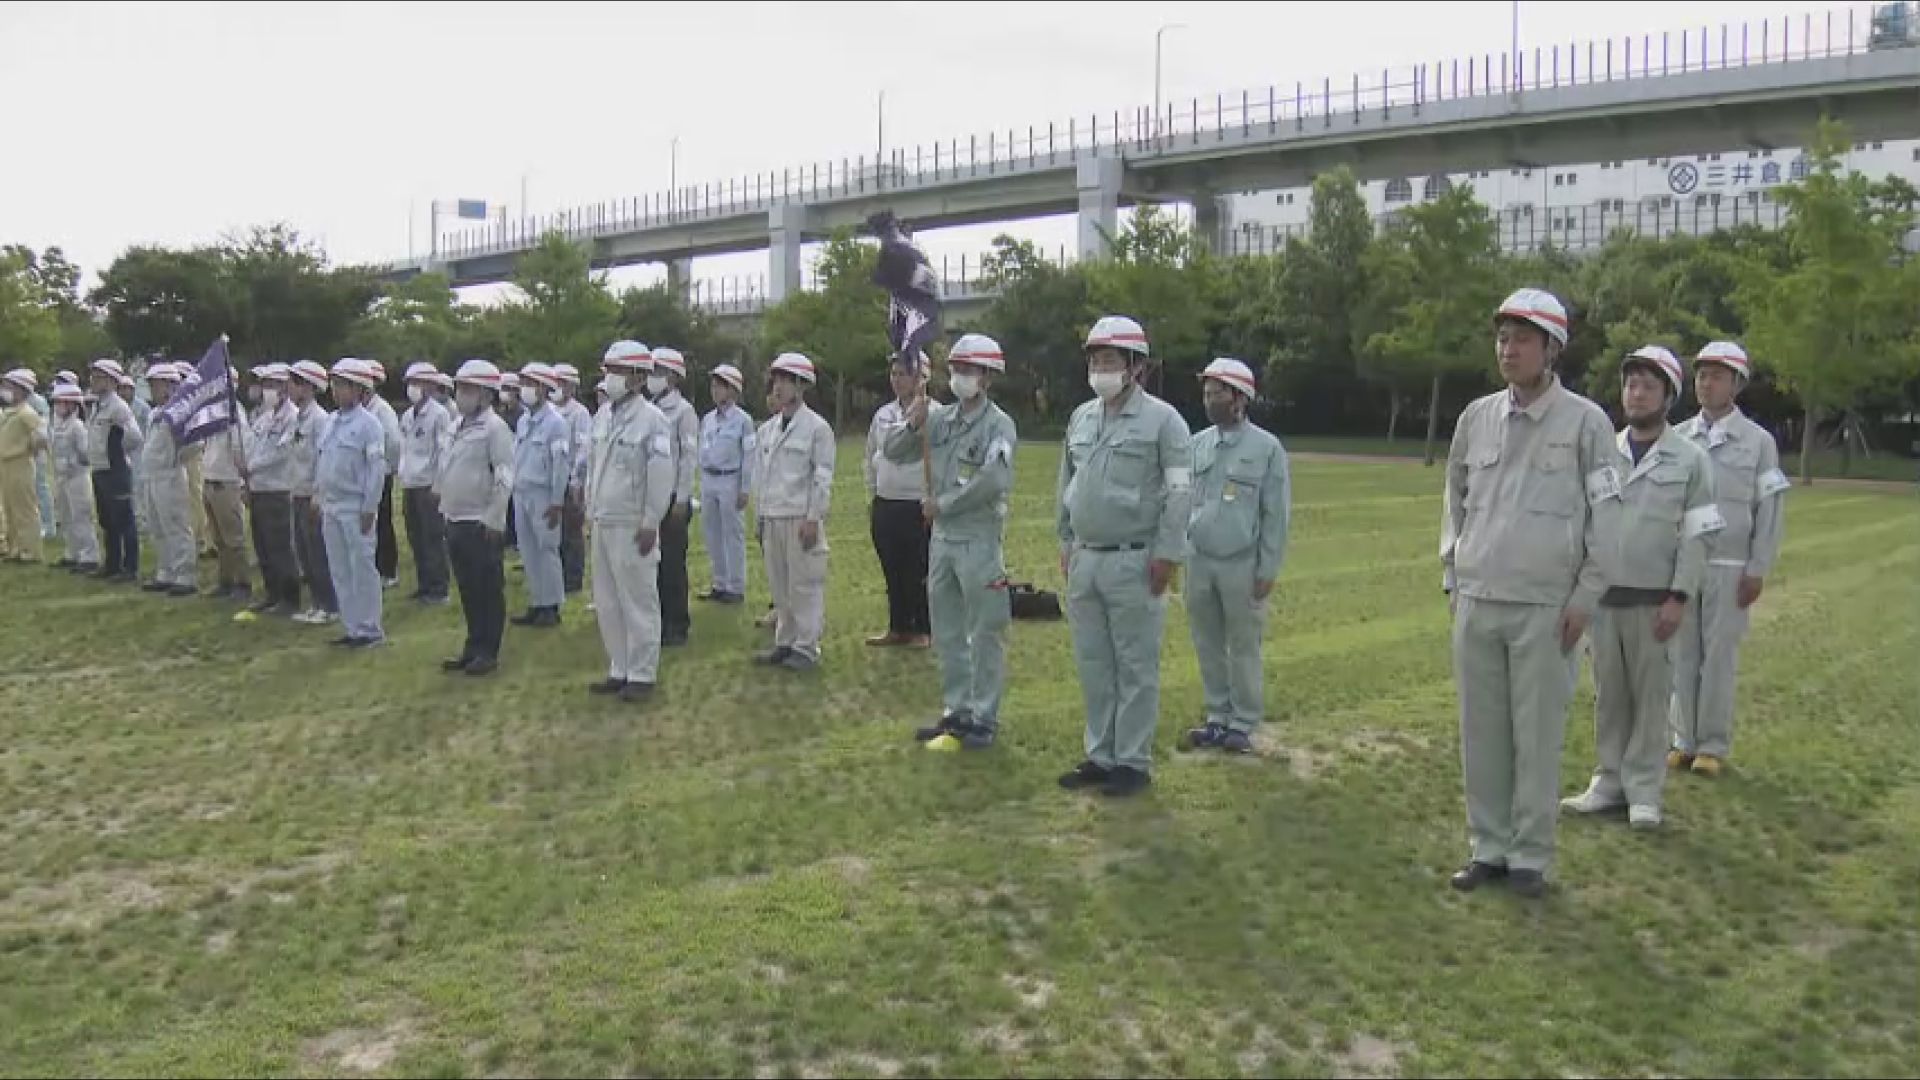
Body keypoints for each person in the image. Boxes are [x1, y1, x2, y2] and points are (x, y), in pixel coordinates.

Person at [1440, 288, 1617, 899]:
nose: (1508, 349)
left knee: (1536, 735)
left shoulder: (1588, 424)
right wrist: (1453, 576)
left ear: (1552, 349)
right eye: (1502, 338)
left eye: (1521, 339)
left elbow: (1608, 519)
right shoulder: (1475, 418)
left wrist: (1585, 598)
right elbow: (1454, 502)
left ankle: (1529, 857)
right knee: (1482, 733)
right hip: (1478, 597)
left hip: (1547, 607)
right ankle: (1487, 848)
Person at [1563, 346, 1720, 831]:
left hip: (1656, 603)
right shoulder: (1602, 452)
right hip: (1604, 600)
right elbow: (1581, 522)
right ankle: (1608, 782)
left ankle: (1644, 792)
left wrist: (1680, 596)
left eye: (1648, 386)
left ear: (1668, 397)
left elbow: (1699, 535)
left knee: (1651, 701)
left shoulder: (1691, 460)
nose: (1636, 393)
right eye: (1631, 384)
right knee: (1609, 697)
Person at [1054, 316, 1193, 798]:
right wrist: (1065, 540)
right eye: (1095, 360)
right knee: (1094, 664)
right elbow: (1067, 482)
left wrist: (1168, 554)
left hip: (1135, 559)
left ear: (1136, 367)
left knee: (1135, 665)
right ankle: (1100, 755)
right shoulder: (1081, 417)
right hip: (1086, 558)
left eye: (1110, 360)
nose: (1100, 369)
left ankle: (1132, 761)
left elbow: (1179, 492)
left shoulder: (1164, 422)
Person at [887, 334, 1018, 750]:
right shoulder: (940, 419)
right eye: (957, 369)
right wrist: (913, 421)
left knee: (985, 631)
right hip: (942, 541)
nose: (961, 376)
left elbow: (993, 479)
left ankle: (984, 716)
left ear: (987, 377)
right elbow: (893, 451)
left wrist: (943, 504)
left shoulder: (999, 425)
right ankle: (957, 709)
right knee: (947, 630)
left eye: (970, 370)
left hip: (978, 539)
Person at [1670, 341, 1788, 778]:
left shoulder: (1759, 442)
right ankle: (1683, 740)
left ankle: (1711, 746)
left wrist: (1757, 568)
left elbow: (1770, 508)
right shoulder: (1677, 437)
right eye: (1702, 375)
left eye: (1717, 376)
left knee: (1718, 656)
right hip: (1684, 567)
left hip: (1730, 566)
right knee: (1682, 654)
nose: (1706, 383)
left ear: (1736, 384)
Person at [1178, 358, 1291, 756]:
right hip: (1198, 559)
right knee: (1206, 642)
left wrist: (1268, 567)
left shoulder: (1266, 449)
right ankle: (1216, 717)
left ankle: (1242, 722)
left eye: (1218, 393)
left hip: (1241, 563)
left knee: (1243, 646)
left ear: (1240, 398)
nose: (1210, 400)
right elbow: (1179, 498)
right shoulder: (1196, 444)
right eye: (1207, 393)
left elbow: (1275, 514)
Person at [586, 341, 675, 702]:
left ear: (638, 377)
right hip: (604, 520)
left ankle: (642, 673)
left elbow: (661, 473)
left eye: (619, 371)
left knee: (638, 599)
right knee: (607, 601)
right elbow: (593, 467)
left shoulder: (653, 420)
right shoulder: (602, 416)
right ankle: (619, 667)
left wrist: (651, 519)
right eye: (608, 370)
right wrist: (590, 511)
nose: (611, 378)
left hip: (632, 522)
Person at [753, 353, 835, 672]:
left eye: (786, 380)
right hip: (772, 514)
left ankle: (806, 646)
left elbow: (822, 477)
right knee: (780, 585)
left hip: (800, 516)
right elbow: (761, 476)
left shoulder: (817, 428)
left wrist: (814, 517)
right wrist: (760, 516)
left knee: (804, 585)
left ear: (801, 386)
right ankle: (784, 641)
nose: (779, 387)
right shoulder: (767, 430)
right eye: (776, 380)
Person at [437, 360, 515, 676]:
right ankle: (472, 646)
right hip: (456, 517)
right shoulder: (457, 425)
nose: (461, 394)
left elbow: (504, 477)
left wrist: (495, 518)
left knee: (487, 589)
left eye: (468, 389)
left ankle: (488, 650)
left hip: (480, 520)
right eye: (460, 388)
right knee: (468, 589)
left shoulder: (495, 428)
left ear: (485, 394)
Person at [313, 358, 389, 648]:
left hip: (354, 505)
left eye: (343, 385)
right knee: (340, 569)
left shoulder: (370, 425)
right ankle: (352, 626)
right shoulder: (331, 422)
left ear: (360, 389)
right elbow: (323, 461)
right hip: (331, 505)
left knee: (362, 568)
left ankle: (370, 628)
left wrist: (370, 506)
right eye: (335, 385)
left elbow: (376, 469)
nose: (336, 391)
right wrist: (318, 495)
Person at [864, 353, 933, 648]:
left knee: (918, 569)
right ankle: (898, 626)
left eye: (903, 374)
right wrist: (872, 490)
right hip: (886, 500)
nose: (897, 380)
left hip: (916, 502)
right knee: (892, 568)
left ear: (920, 378)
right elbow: (872, 453)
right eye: (893, 373)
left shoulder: (935, 412)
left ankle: (923, 628)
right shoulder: (883, 414)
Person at [510, 362, 573, 628]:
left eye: (530, 384)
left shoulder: (556, 423)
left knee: (547, 549)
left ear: (544, 388)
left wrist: (557, 501)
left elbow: (561, 465)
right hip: (521, 491)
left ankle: (552, 605)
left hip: (543, 494)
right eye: (523, 383)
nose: (525, 389)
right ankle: (538, 601)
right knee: (528, 550)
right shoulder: (524, 420)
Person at [647, 347, 699, 646]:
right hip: (652, 498)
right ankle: (657, 620)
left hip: (673, 499)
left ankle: (677, 624)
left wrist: (682, 497)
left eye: (659, 372)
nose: (653, 378)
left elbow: (688, 458)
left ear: (673, 377)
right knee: (652, 565)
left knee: (672, 565)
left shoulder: (683, 412)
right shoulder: (648, 409)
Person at [245, 364, 304, 617]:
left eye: (272, 385)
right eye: (265, 385)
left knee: (280, 547)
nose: (267, 390)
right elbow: (251, 447)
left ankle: (289, 597)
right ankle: (272, 593)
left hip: (278, 489)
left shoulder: (293, 417)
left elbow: (282, 452)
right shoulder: (264, 418)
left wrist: (251, 466)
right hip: (258, 488)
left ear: (284, 388)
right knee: (263, 547)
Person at [136, 364, 200, 596]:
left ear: (171, 386)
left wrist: (175, 459)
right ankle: (166, 570)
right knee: (157, 526)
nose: (154, 389)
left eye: (158, 384)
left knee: (175, 525)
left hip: (169, 475)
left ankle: (185, 574)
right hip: (151, 474)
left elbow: (195, 443)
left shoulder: (181, 413)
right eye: (152, 385)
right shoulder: (155, 413)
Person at [287, 360, 339, 626]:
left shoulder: (320, 420)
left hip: (312, 494)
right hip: (297, 491)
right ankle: (317, 603)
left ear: (308, 387)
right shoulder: (299, 417)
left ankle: (329, 605)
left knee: (318, 552)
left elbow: (322, 459)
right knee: (304, 553)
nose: (289, 389)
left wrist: (318, 494)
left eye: (294, 384)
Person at [697, 363, 754, 605]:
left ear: (732, 390)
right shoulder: (708, 419)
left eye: (720, 386)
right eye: (713, 386)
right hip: (709, 478)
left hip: (730, 478)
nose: (715, 391)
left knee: (732, 534)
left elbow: (749, 455)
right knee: (712, 532)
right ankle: (719, 582)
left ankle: (735, 586)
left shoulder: (743, 421)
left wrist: (745, 488)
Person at [399, 362, 454, 606]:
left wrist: (439, 485)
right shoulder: (407, 416)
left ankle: (439, 587)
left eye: (417, 383)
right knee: (416, 536)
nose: (412, 388)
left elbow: (443, 452)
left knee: (433, 536)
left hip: (429, 484)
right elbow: (405, 450)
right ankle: (424, 584)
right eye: (410, 383)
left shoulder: (439, 415)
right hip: (410, 483)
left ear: (430, 386)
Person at [86, 360, 142, 582]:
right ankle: (112, 564)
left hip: (115, 470)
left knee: (124, 520)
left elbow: (134, 437)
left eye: (98, 377)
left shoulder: (118, 407)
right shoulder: (97, 406)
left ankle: (130, 568)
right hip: (100, 468)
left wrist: (117, 452)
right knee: (107, 520)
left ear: (111, 381)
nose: (93, 381)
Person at [200, 369, 252, 601]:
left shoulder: (235, 413)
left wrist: (242, 478)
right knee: (219, 538)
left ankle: (242, 582)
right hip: (210, 477)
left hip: (226, 479)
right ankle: (225, 580)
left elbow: (240, 446)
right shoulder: (213, 412)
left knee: (234, 538)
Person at [48, 383, 99, 573]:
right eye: (56, 403)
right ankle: (72, 552)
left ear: (72, 404)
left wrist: (73, 461)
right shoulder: (58, 425)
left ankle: (89, 555)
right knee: (66, 516)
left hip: (77, 476)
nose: (58, 406)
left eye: (62, 402)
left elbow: (86, 453)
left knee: (80, 517)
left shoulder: (77, 426)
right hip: (62, 477)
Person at [362, 360, 404, 589]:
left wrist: (389, 467)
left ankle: (388, 569)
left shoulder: (382, 410)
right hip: (363, 475)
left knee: (382, 523)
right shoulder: (363, 410)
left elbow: (394, 443)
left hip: (381, 473)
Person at [0, 369, 49, 562]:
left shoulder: (27, 413)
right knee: (10, 508)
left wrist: (29, 448)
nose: (5, 390)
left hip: (20, 462)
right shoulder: (10, 413)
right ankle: (16, 548)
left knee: (25, 509)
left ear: (21, 389)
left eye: (9, 386)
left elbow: (42, 436)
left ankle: (30, 550)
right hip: (6, 463)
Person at [552, 362, 593, 595]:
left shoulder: (579, 413)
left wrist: (576, 479)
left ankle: (573, 578)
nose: (558, 387)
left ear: (571, 387)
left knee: (572, 531)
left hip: (570, 480)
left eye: (562, 383)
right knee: (554, 531)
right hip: (551, 480)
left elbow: (583, 448)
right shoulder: (549, 411)